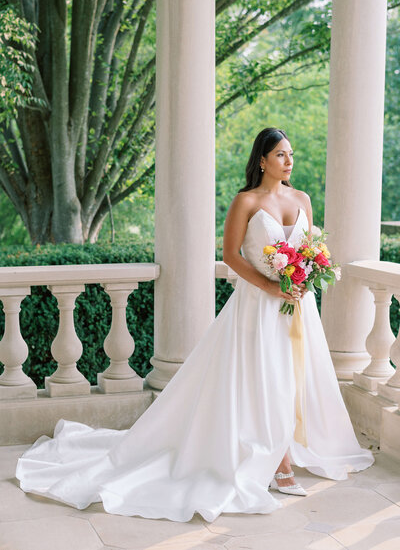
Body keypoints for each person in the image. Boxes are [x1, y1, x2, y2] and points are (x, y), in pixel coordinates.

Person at [16, 127, 374, 523]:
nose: (289, 161)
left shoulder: (302, 199)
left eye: (290, 154)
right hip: (257, 306)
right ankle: (278, 460)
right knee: (264, 378)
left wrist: (305, 277)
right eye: (280, 155)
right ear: (261, 161)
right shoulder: (246, 201)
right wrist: (271, 287)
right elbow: (232, 256)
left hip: (297, 308)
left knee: (292, 377)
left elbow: (310, 251)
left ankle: (285, 447)